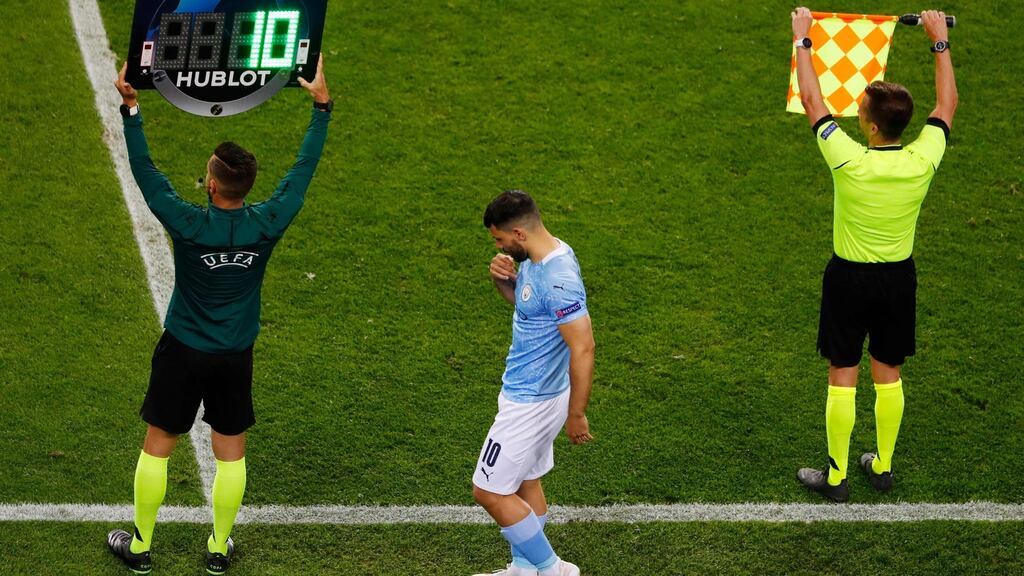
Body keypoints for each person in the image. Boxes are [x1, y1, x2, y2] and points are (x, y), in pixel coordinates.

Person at [106, 56, 332, 573]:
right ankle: (218, 548)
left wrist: (132, 109)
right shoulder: (269, 222)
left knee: (159, 444)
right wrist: (321, 107)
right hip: (234, 354)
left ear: (211, 186)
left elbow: (147, 176)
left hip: (183, 349)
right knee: (231, 451)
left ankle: (139, 548)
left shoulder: (187, 223)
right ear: (247, 187)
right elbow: (301, 172)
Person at [790, 7, 957, 502]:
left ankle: (837, 477)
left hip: (848, 280)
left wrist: (803, 40)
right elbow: (947, 104)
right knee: (889, 372)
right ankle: (882, 466)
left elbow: (814, 98)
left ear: (866, 124)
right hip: (898, 280)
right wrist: (939, 41)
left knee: (843, 373)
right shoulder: (924, 157)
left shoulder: (848, 159)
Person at [471, 190, 595, 576]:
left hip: (533, 402)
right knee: (526, 482)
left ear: (519, 233)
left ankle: (553, 569)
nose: (499, 245)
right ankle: (525, 569)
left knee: (488, 491)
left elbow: (584, 347)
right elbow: (530, 309)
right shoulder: (545, 256)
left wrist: (577, 414)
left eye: (499, 238)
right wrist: (503, 282)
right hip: (532, 393)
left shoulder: (559, 279)